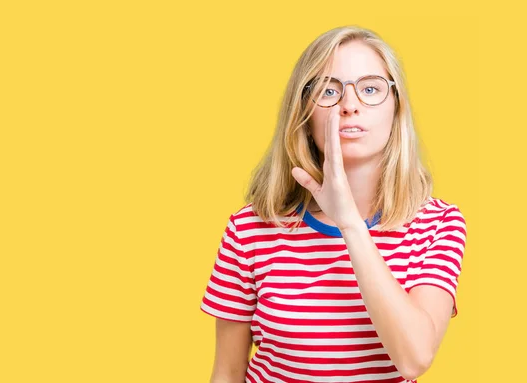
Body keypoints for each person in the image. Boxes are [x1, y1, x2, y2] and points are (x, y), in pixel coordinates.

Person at [200, 25, 467, 383]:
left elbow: (414, 358)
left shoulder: (438, 224)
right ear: (304, 114)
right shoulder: (249, 229)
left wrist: (350, 225)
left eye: (370, 89)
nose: (350, 106)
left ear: (396, 109)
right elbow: (228, 372)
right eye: (329, 90)